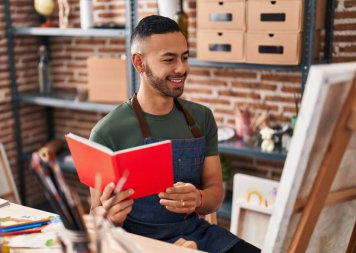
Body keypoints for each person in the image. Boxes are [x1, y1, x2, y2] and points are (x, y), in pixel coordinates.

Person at [89, 15, 260, 253]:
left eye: (185, 57)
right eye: (169, 59)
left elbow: (215, 194)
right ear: (139, 63)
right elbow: (95, 213)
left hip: (197, 234)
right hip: (138, 244)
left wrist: (199, 199)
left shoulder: (201, 119)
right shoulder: (106, 132)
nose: (181, 68)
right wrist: (108, 215)